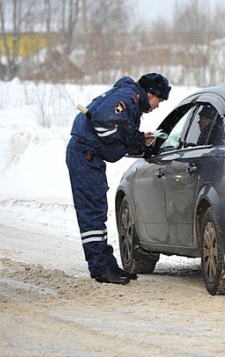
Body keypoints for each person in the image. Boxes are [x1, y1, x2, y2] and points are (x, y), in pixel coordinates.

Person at [66, 73, 171, 285]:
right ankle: (100, 269)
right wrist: (125, 141)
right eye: (158, 101)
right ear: (150, 94)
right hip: (85, 155)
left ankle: (106, 264)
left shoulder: (129, 97)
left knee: (97, 211)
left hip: (88, 156)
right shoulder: (129, 98)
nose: (157, 106)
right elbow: (103, 122)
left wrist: (139, 139)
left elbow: (117, 128)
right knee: (92, 214)